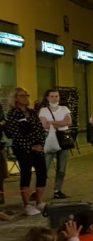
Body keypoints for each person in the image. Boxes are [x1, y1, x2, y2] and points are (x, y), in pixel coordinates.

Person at [3, 87, 47, 215]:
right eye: (22, 95)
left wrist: (40, 144)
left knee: (42, 173)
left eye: (27, 95)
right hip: (23, 149)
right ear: (16, 98)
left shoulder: (32, 112)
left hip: (38, 147)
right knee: (26, 174)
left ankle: (39, 201)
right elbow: (15, 134)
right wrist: (30, 146)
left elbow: (40, 129)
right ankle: (27, 204)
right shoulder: (13, 114)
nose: (26, 98)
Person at [39, 88, 72, 200]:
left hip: (63, 139)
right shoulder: (43, 110)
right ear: (47, 98)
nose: (54, 98)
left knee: (61, 167)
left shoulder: (64, 108)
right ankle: (39, 190)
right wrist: (60, 123)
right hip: (49, 139)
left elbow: (68, 122)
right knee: (44, 166)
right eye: (52, 96)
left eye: (56, 96)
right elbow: (44, 125)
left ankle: (58, 190)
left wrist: (52, 123)